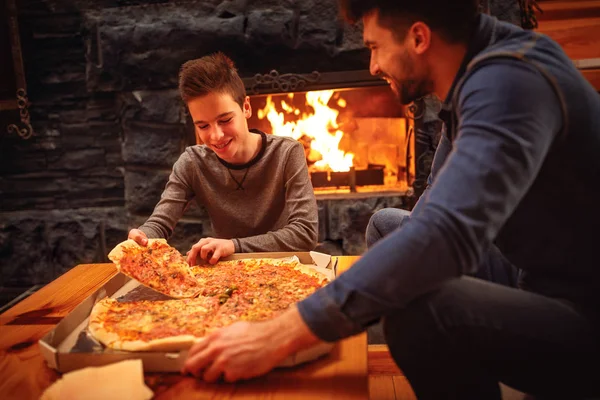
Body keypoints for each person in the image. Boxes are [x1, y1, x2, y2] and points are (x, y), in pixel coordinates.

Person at [182, 1, 600, 399]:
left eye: (374, 47)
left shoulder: (511, 83)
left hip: (582, 314)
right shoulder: (478, 71)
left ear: (418, 38)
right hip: (534, 274)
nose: (373, 65)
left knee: (417, 311)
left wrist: (283, 332)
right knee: (388, 225)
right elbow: (428, 217)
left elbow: (446, 237)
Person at [128, 52, 319, 264]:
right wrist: (141, 238)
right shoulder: (191, 162)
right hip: (225, 276)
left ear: (246, 107)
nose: (216, 136)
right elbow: (159, 224)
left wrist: (234, 245)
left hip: (287, 271)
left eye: (225, 120)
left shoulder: (287, 152)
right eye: (203, 126)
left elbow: (305, 233)